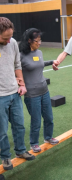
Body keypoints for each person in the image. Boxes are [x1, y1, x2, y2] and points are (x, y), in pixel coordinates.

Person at [0, 17, 35, 171]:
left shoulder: (12, 43)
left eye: (10, 37)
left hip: (14, 93)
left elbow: (17, 64)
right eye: (5, 38)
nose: (8, 41)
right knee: (1, 131)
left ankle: (20, 150)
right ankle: (6, 157)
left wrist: (21, 83)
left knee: (19, 125)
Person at [19, 28, 59, 153]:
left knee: (49, 117)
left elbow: (40, 63)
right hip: (32, 94)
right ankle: (34, 143)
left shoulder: (39, 52)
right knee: (36, 120)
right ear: (29, 40)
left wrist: (52, 61)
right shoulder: (21, 56)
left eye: (40, 40)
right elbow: (15, 71)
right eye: (37, 41)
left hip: (44, 91)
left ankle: (48, 137)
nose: (39, 43)